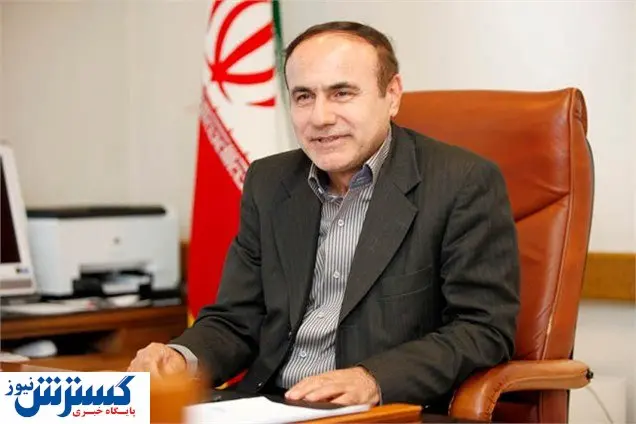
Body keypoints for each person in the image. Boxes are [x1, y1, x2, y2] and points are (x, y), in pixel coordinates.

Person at [128, 21, 520, 410]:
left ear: (392, 95)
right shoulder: (270, 181)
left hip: (380, 411)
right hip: (265, 405)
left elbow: (482, 330)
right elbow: (238, 319)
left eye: (342, 93)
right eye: (303, 96)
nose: (320, 117)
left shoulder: (462, 182)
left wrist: (373, 379)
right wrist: (181, 357)